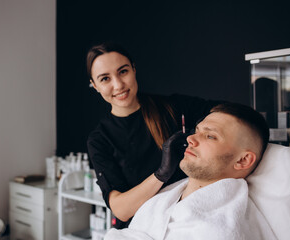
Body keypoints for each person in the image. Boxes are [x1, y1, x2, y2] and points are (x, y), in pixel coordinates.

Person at [86, 41, 222, 228]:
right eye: (105, 79)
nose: (118, 85)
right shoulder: (100, 140)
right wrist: (161, 174)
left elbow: (226, 112)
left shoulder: (174, 107)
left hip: (185, 223)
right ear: (94, 86)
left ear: (134, 69)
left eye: (123, 71)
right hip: (141, 230)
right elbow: (121, 210)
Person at [104, 102, 276, 240]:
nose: (190, 138)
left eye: (210, 136)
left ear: (243, 160)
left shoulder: (221, 231)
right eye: (197, 131)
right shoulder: (164, 199)